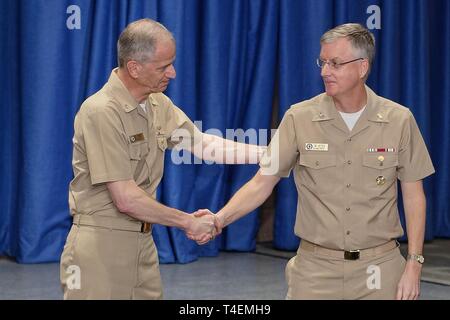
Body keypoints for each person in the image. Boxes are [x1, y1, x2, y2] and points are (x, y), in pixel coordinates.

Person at [197, 23, 435, 300]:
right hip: (315, 271)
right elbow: (262, 183)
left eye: (335, 63)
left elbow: (414, 196)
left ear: (362, 67)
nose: (324, 71)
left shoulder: (399, 119)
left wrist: (414, 265)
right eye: (322, 62)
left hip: (379, 269)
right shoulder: (299, 118)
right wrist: (219, 219)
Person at [60, 18, 265, 299]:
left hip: (144, 243)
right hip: (101, 247)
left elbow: (204, 145)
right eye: (163, 66)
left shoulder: (157, 103)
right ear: (134, 67)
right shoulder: (101, 111)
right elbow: (126, 199)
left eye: (172, 63)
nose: (173, 73)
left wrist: (269, 154)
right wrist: (188, 222)